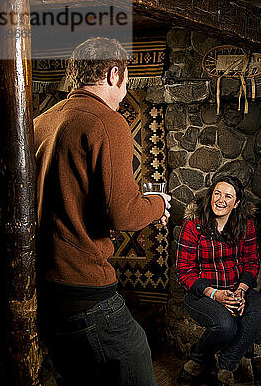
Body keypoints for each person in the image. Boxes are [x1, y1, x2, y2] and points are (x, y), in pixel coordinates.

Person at [34, 37, 171, 386]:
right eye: (126, 81)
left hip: (46, 290)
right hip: (84, 288)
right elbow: (123, 214)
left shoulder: (41, 123)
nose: (125, 91)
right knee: (135, 355)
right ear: (114, 74)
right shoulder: (108, 122)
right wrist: (158, 204)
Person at [176, 175, 261, 386]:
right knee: (226, 325)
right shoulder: (193, 225)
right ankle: (197, 359)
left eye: (228, 196)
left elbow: (251, 263)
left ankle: (227, 363)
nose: (221, 200)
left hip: (235, 288)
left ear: (236, 203)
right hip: (201, 293)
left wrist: (241, 292)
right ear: (211, 196)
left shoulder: (246, 225)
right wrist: (215, 294)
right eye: (217, 193)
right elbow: (183, 272)